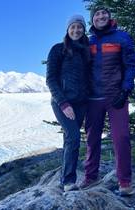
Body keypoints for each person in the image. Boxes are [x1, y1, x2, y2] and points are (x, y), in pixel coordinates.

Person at [79, 6, 135, 196]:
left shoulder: (122, 37)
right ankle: (91, 177)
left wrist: (126, 88)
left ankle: (124, 181)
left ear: (109, 17)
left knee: (121, 138)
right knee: (92, 139)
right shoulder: (88, 42)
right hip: (93, 98)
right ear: (93, 20)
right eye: (97, 14)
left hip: (116, 96)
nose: (101, 16)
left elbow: (130, 64)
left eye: (104, 13)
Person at [46, 15, 90, 192]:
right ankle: (69, 181)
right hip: (62, 103)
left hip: (81, 103)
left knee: (69, 139)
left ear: (83, 29)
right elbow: (50, 79)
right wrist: (63, 103)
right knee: (74, 137)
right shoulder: (58, 49)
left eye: (79, 27)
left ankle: (64, 177)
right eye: (73, 27)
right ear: (67, 29)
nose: (76, 30)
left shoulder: (86, 51)